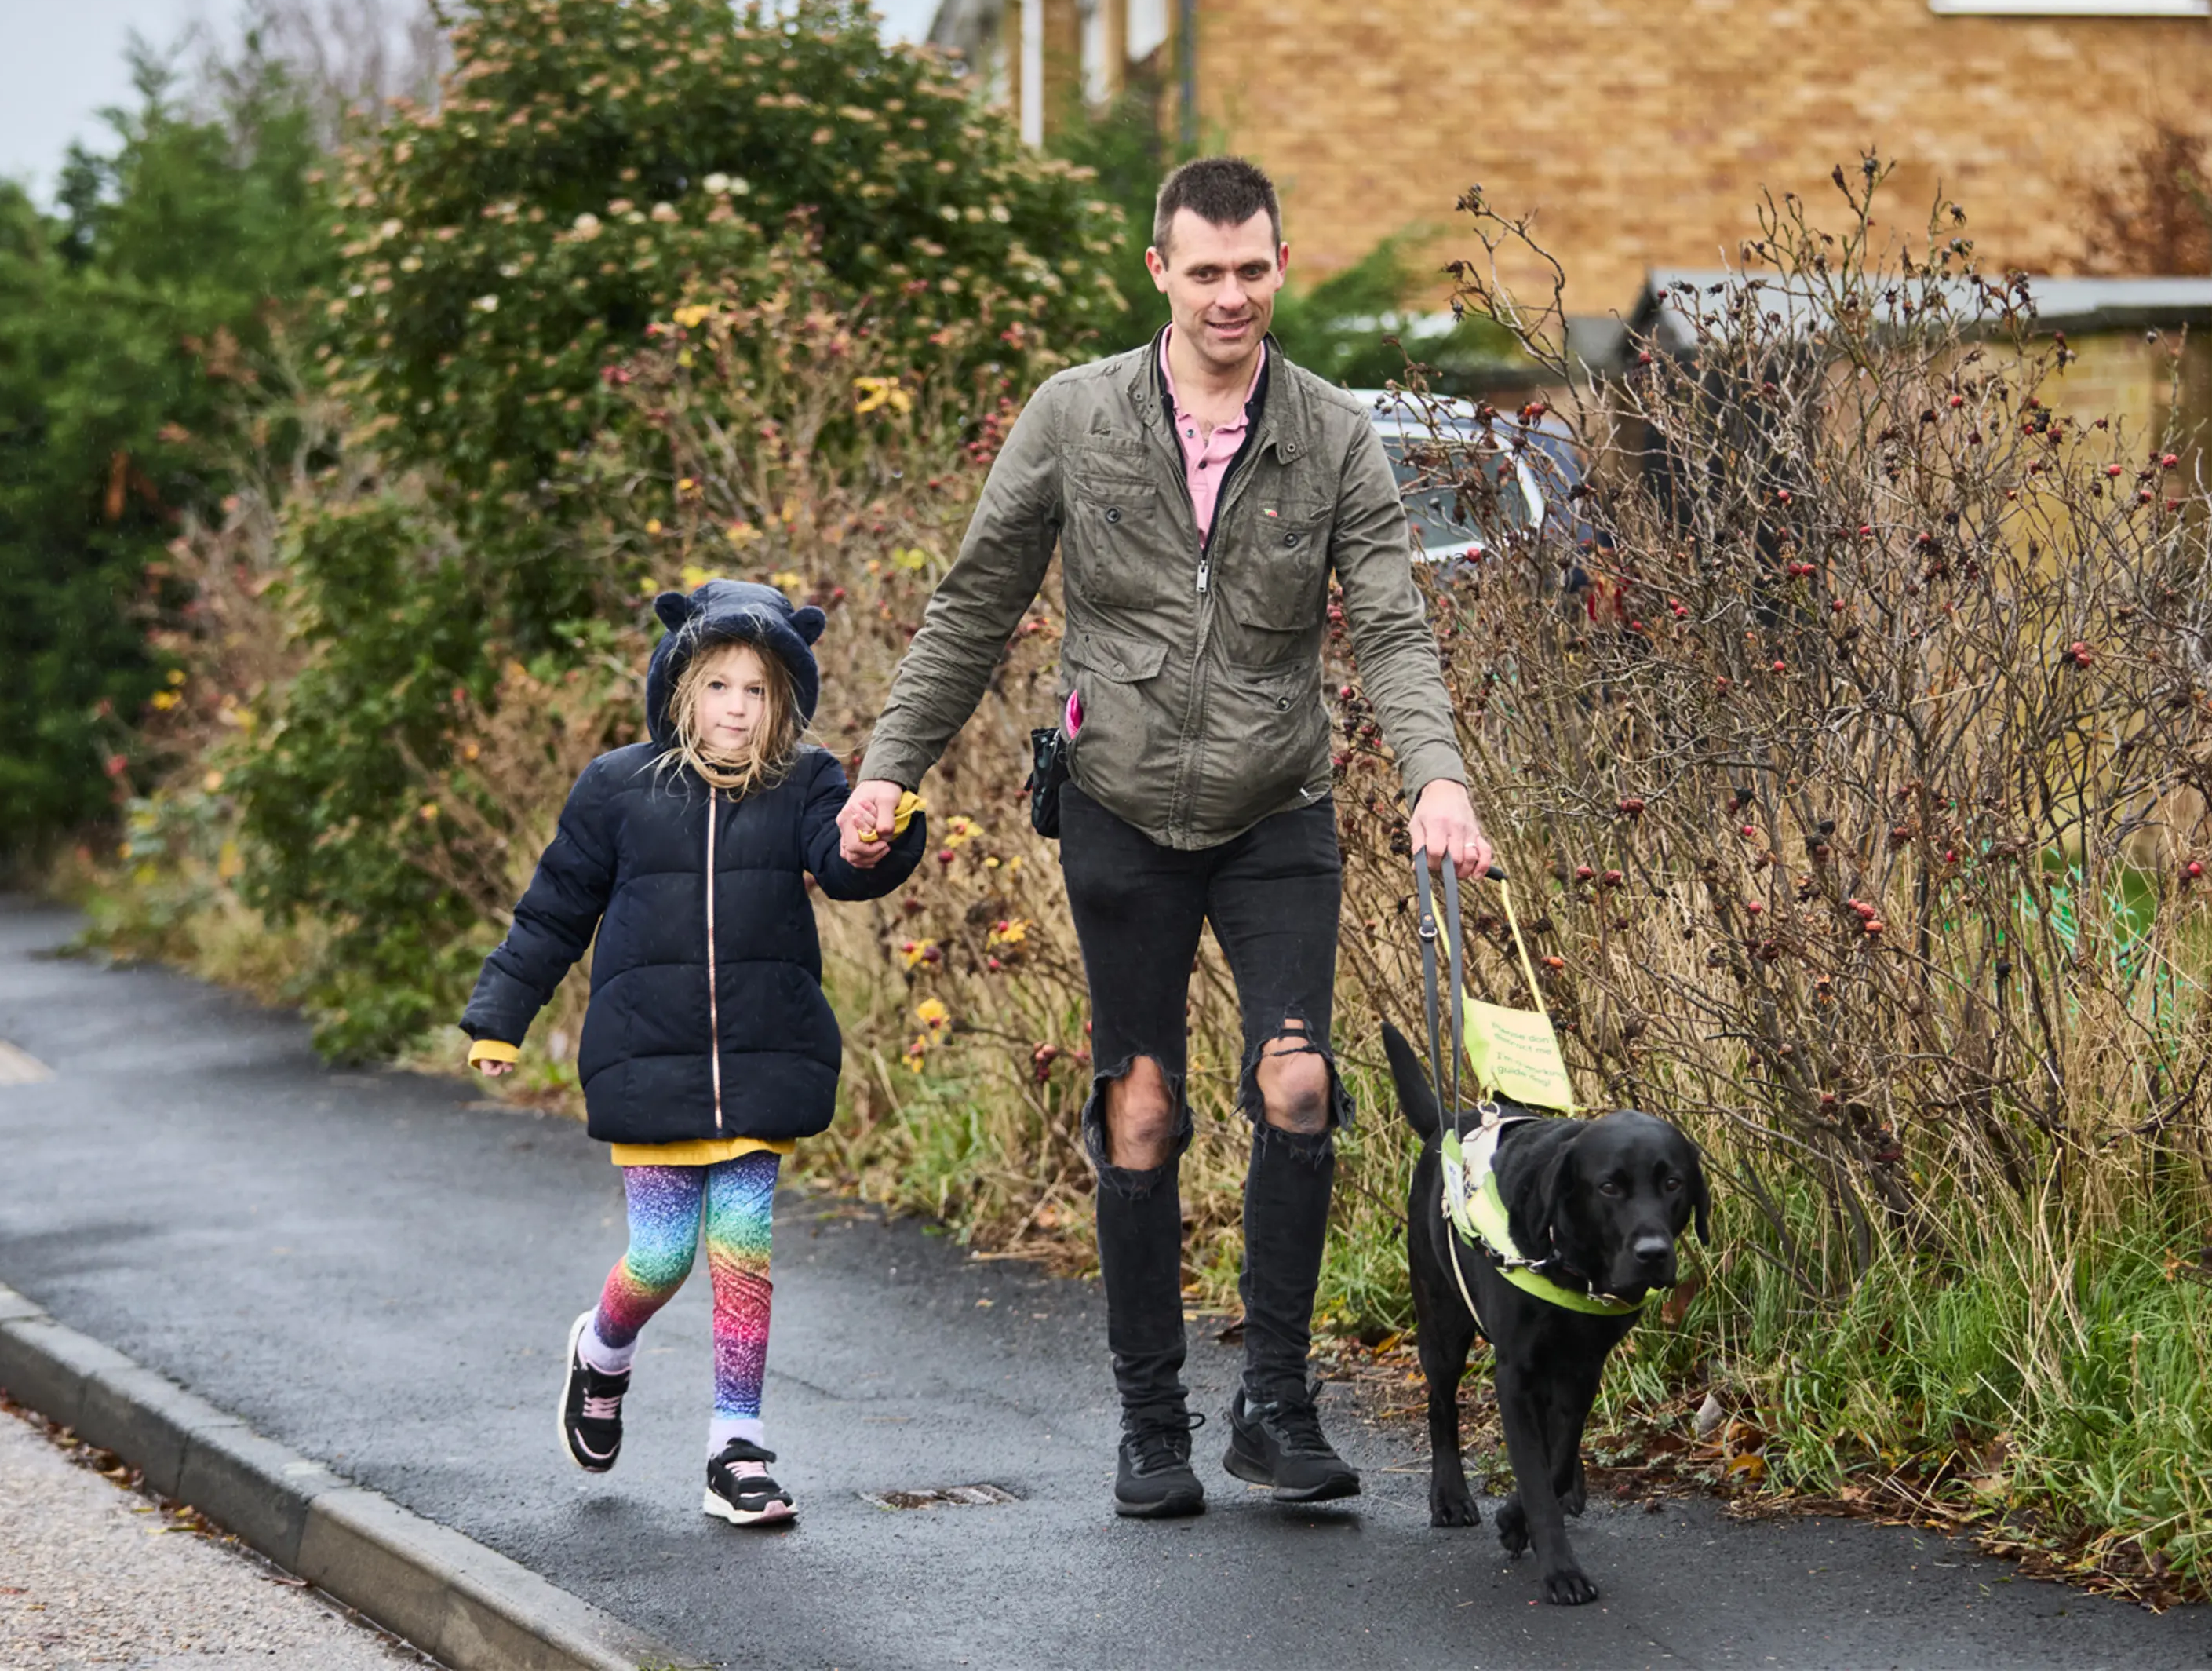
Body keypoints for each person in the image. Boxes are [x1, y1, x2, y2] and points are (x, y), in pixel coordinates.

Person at [836, 156, 1492, 1520]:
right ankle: (1152, 1424)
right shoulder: (1075, 418)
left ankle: (1276, 1402)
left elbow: (1391, 623)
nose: (1232, 295)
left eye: (1253, 269)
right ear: (1160, 275)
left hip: (1278, 813)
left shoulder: (1328, 437)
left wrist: (1436, 775)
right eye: (1206, 272)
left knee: (1298, 1085)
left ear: (1281, 266)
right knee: (1139, 1110)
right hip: (1120, 810)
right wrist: (888, 770)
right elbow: (974, 604)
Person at [461, 578, 925, 1527]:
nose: (737, 708)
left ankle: (735, 1447)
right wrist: (500, 1015)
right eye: (719, 686)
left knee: (742, 1252)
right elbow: (554, 911)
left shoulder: (808, 783)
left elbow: (844, 864)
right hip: (652, 1061)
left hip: (765, 1058)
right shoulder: (618, 788)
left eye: (758, 691)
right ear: (681, 688)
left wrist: (886, 836)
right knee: (663, 1255)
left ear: (782, 705)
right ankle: (603, 1350)